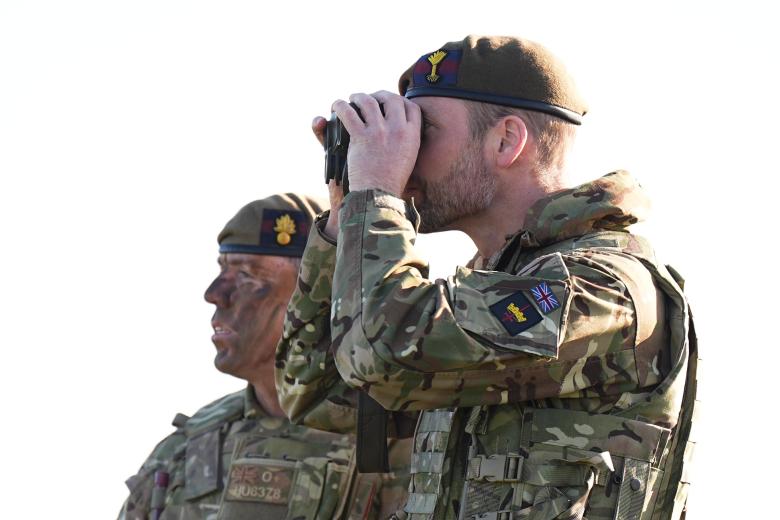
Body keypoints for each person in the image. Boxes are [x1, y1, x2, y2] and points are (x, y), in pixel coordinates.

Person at [276, 36, 698, 519]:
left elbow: (383, 357)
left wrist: (377, 197)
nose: (405, 153)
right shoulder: (481, 288)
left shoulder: (601, 286)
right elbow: (315, 393)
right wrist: (343, 217)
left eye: (424, 131)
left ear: (506, 141)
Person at [119, 193, 411, 520]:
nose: (215, 294)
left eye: (249, 274)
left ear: (317, 293)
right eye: (223, 269)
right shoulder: (188, 450)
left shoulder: (404, 441)